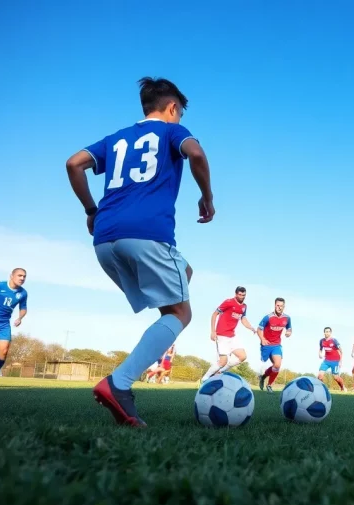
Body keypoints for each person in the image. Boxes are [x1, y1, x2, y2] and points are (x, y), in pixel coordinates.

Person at [66, 76, 214, 427]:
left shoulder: (116, 138)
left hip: (105, 240)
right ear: (172, 108)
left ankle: (124, 382)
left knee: (183, 274)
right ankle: (119, 384)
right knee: (181, 313)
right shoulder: (172, 132)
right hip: (146, 234)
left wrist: (91, 210)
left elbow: (73, 163)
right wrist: (207, 196)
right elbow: (196, 153)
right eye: (179, 112)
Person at [202, 286, 256, 381]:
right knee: (223, 361)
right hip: (222, 335)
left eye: (243, 295)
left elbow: (243, 319)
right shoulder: (229, 302)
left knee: (242, 356)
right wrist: (213, 331)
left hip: (232, 336)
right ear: (236, 294)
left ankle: (220, 371)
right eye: (240, 295)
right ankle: (205, 378)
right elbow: (215, 314)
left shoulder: (244, 306)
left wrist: (250, 327)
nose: (242, 297)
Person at [256, 298, 292, 393]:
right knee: (264, 361)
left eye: (281, 306)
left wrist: (289, 332)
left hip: (276, 345)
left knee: (277, 365)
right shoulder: (268, 317)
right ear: (274, 305)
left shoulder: (287, 318)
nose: (279, 307)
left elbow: (289, 328)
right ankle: (263, 377)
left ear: (284, 307)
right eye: (277, 305)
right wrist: (262, 339)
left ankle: (269, 385)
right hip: (266, 344)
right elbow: (259, 329)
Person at [318, 327, 346, 391]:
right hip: (326, 361)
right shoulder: (322, 341)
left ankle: (342, 387)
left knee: (336, 378)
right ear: (324, 332)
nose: (327, 333)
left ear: (330, 333)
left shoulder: (334, 341)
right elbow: (320, 349)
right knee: (320, 376)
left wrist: (340, 361)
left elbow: (341, 351)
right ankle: (323, 389)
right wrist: (319, 354)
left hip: (335, 361)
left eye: (328, 332)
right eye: (326, 331)